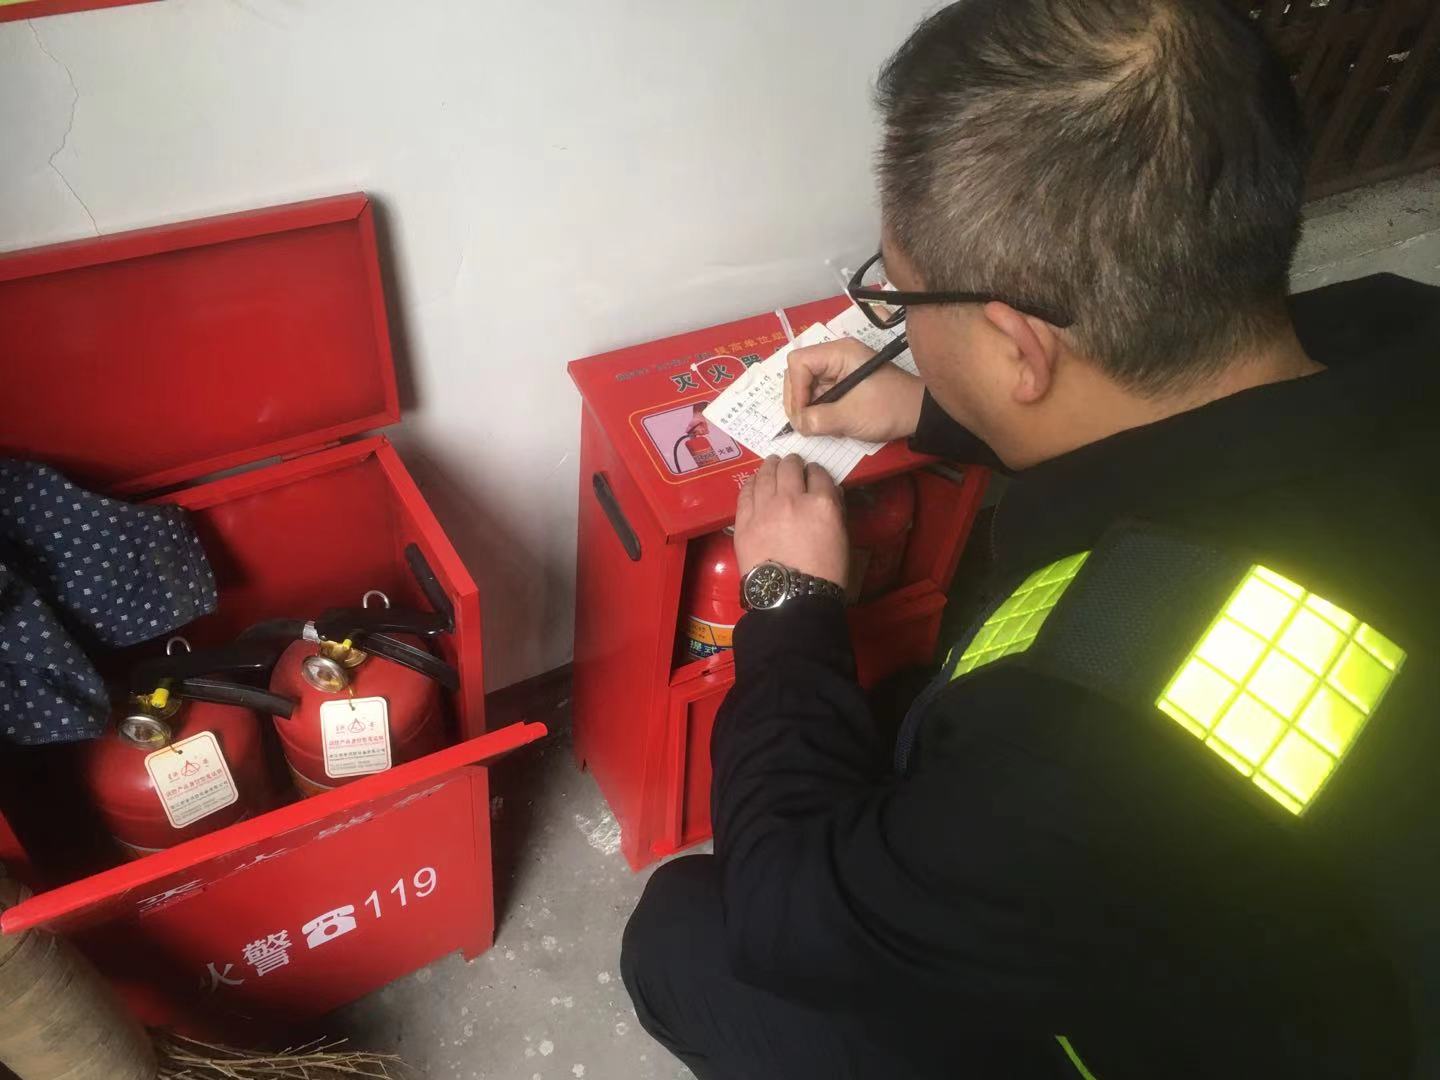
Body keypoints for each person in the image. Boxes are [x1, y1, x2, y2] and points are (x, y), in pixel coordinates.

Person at [621, 0, 1438, 1076]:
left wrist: (785, 602)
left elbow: (787, 915)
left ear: (1018, 347)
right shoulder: (1395, 326)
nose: (901, 320)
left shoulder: (1078, 738)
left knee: (686, 931)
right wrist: (933, 408)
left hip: (1225, 1032)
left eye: (903, 297)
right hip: (1334, 909)